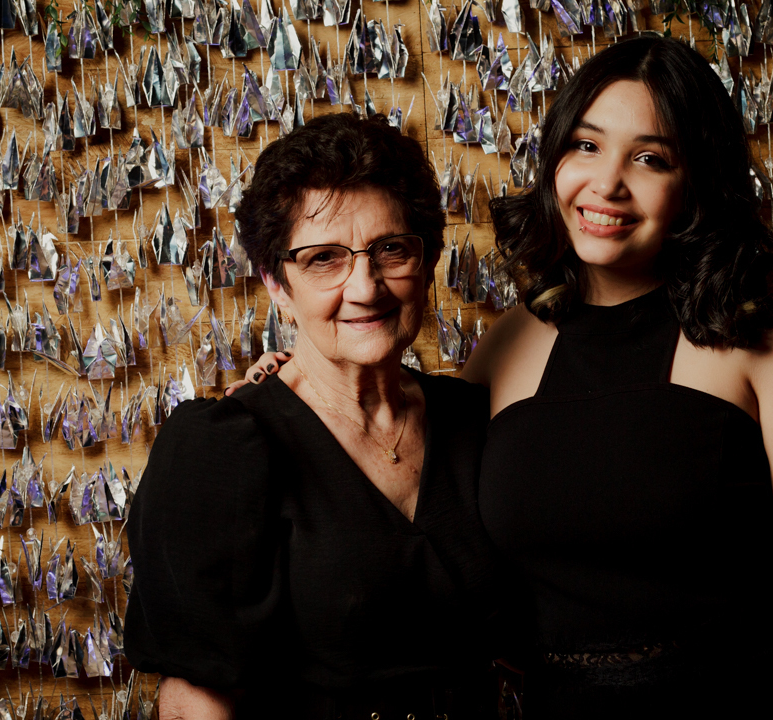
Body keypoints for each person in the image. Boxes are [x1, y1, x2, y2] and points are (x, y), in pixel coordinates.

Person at [241, 35, 773, 719]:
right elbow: (403, 456)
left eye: (651, 158)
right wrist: (295, 387)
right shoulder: (512, 342)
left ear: (697, 181)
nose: (607, 184)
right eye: (586, 146)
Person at [125, 112, 501, 720]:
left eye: (391, 249)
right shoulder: (221, 449)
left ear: (428, 260)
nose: (365, 287)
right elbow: (197, 696)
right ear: (277, 284)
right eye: (324, 258)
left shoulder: (474, 417)